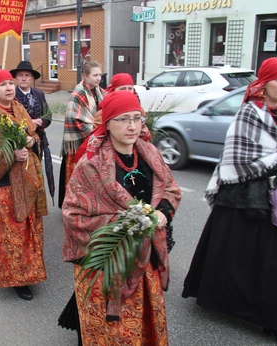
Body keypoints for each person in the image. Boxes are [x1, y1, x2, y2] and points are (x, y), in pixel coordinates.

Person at [182, 57, 277, 346]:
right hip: (244, 194)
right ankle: (222, 299)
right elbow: (236, 162)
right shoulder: (249, 113)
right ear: (264, 84)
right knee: (235, 254)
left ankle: (276, 320)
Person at [62, 91, 181, 344]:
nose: (132, 126)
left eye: (137, 119)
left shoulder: (150, 154)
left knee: (145, 320)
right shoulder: (90, 165)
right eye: (123, 119)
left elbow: (170, 188)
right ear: (107, 123)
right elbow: (72, 214)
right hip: (108, 262)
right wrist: (123, 225)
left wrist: (162, 213)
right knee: (110, 332)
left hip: (145, 256)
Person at [0, 70, 48, 300]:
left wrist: (32, 141)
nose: (8, 88)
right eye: (2, 84)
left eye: (10, 84)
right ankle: (15, 278)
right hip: (1, 185)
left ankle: (30, 272)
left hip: (25, 182)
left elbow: (34, 135)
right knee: (10, 233)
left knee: (27, 230)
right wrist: (11, 154)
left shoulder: (19, 109)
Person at [59, 61, 105, 208]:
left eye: (100, 75)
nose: (98, 78)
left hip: (95, 138)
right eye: (95, 75)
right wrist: (98, 131)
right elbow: (77, 119)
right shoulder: (78, 92)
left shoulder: (99, 91)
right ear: (85, 76)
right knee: (76, 176)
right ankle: (74, 205)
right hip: (79, 141)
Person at [10, 61, 55, 203]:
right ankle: (21, 201)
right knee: (21, 173)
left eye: (27, 75)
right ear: (16, 78)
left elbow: (48, 115)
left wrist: (40, 122)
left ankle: (34, 200)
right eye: (20, 75)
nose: (23, 78)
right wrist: (28, 124)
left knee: (36, 171)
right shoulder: (12, 95)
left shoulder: (39, 94)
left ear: (32, 79)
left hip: (38, 141)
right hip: (19, 143)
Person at [93, 73, 151, 141]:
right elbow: (97, 136)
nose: (127, 92)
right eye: (122, 89)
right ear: (113, 91)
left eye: (130, 88)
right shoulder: (103, 112)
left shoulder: (139, 109)